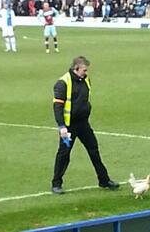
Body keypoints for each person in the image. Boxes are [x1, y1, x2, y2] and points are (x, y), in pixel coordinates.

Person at [51, 56, 119, 194]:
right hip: (69, 126)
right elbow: (57, 106)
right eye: (84, 70)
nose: (86, 72)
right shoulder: (63, 83)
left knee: (94, 149)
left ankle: (104, 180)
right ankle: (56, 183)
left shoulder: (85, 80)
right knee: (64, 154)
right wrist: (61, 126)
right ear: (76, 68)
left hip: (83, 124)